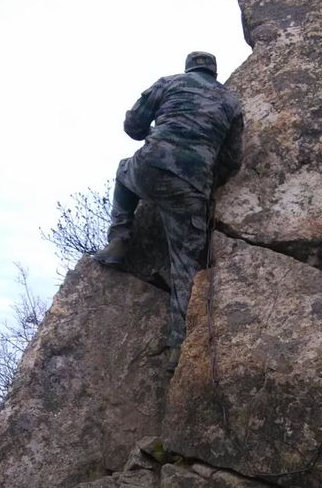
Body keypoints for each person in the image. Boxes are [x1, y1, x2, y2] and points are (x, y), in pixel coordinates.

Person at [94, 51, 243, 371]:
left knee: (123, 171)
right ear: (215, 73)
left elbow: (133, 126)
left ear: (189, 68)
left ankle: (119, 238)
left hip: (150, 168)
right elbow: (232, 160)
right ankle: (178, 346)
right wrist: (203, 176)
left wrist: (158, 135)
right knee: (185, 266)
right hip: (191, 189)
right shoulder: (231, 103)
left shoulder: (169, 84)